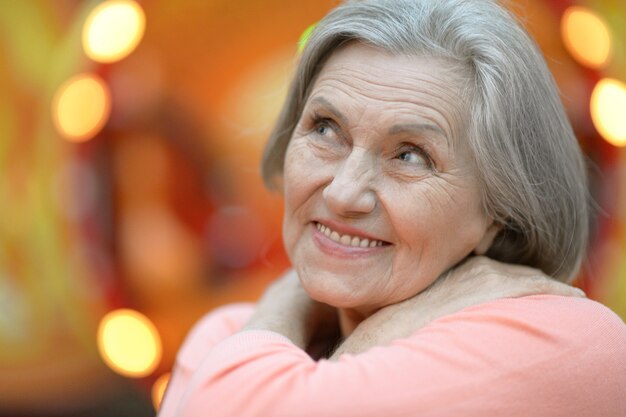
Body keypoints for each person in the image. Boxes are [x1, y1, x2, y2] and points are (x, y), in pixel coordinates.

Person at [158, 0, 626, 416]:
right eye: (325, 129)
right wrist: (293, 301)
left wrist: (282, 307)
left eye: (410, 156)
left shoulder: (566, 338)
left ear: (501, 210)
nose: (343, 193)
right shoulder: (231, 334)